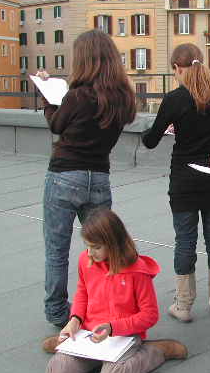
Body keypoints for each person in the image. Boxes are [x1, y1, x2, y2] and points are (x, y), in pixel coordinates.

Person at [40, 30, 137, 328]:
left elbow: (56, 124)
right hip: (100, 179)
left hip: (65, 176)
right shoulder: (122, 98)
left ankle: (58, 312)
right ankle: (106, 306)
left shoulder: (77, 96)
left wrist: (46, 95)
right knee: (103, 247)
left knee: (57, 248)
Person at [42, 209, 188, 373]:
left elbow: (150, 315)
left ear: (112, 244)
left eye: (96, 247)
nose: (89, 252)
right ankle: (87, 355)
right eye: (87, 245)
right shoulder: (85, 260)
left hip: (124, 336)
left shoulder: (137, 271)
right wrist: (75, 320)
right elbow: (82, 292)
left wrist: (112, 328)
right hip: (89, 334)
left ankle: (155, 351)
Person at [142, 44, 210, 322]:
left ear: (177, 69)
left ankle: (183, 305)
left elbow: (151, 140)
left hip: (184, 180)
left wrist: (170, 127)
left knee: (185, 240)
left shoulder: (174, 99)